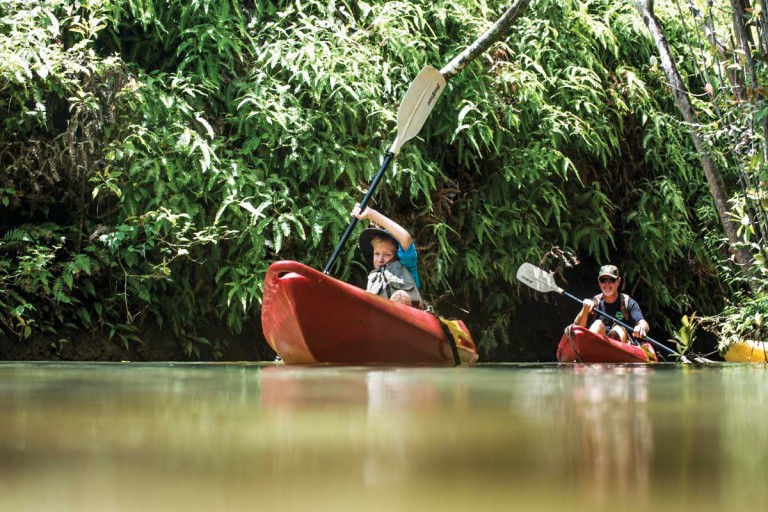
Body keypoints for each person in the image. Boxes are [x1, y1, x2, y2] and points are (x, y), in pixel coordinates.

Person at [351, 203, 423, 308]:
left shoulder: (406, 265)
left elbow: (406, 238)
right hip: (378, 315)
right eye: (377, 254)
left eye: (387, 254)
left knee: (400, 296)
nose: (380, 259)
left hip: (407, 314)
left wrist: (371, 214)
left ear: (397, 255)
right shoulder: (373, 277)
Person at [573, 264, 650, 344]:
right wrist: (584, 309)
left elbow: (642, 322)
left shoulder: (628, 302)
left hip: (621, 345)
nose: (607, 284)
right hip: (597, 344)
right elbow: (577, 328)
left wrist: (641, 327)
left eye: (611, 280)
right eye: (603, 280)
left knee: (618, 329)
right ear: (599, 281)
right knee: (597, 324)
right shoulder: (594, 302)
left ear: (618, 281)